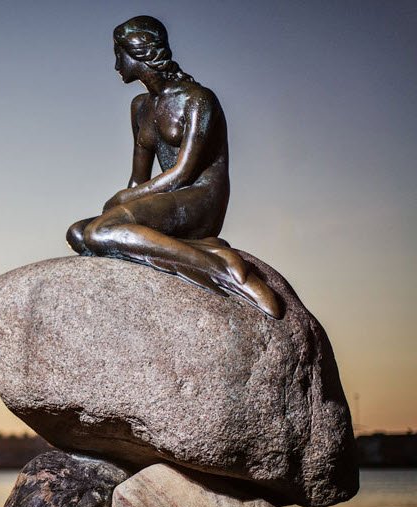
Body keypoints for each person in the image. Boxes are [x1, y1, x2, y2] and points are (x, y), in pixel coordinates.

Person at [66, 15, 281, 318]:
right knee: (79, 233)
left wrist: (123, 201)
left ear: (138, 52)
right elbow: (137, 180)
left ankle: (224, 269)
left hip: (200, 199)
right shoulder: (140, 107)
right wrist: (121, 204)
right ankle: (201, 250)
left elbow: (184, 173)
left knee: (100, 232)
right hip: (167, 199)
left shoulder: (198, 100)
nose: (116, 65)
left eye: (119, 54)